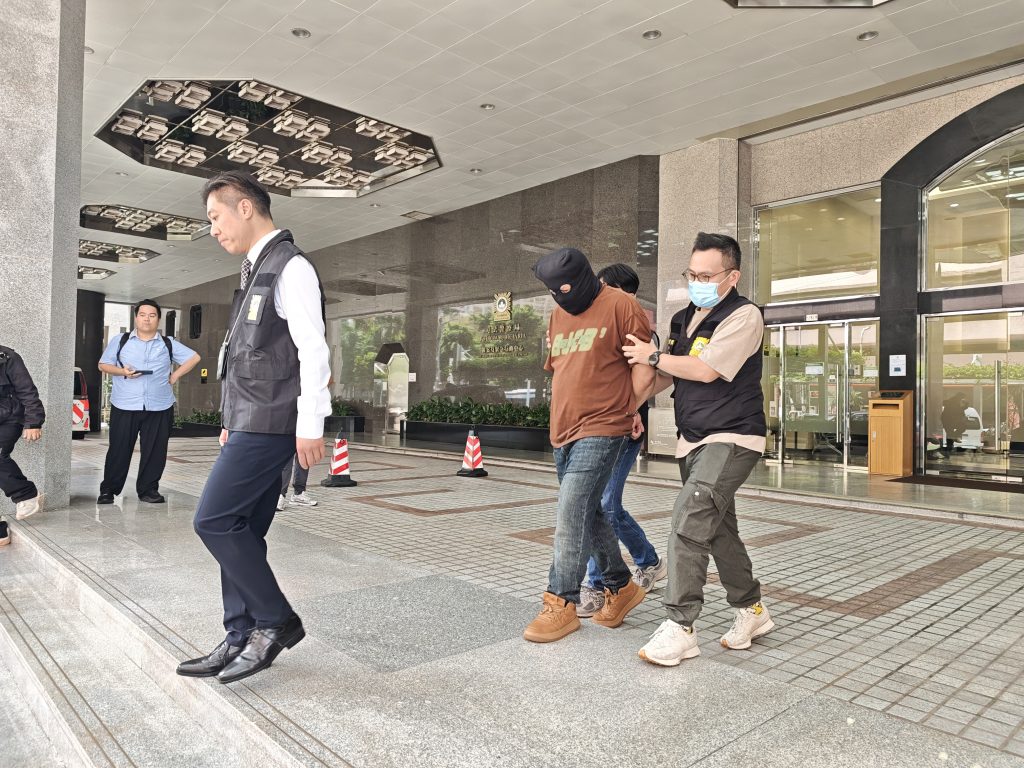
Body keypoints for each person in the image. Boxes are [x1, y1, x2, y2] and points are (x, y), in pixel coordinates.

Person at [177, 170, 330, 684]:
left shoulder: (290, 267)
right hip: (251, 420)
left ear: (245, 207)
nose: (213, 229)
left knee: (214, 521)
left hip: (272, 424)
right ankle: (240, 633)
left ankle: (275, 621)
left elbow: (313, 350)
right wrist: (229, 419)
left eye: (215, 217)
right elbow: (246, 356)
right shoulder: (255, 271)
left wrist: (311, 424)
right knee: (242, 529)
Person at [623, 232, 773, 666]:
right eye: (691, 274)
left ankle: (680, 625)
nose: (696, 282)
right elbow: (671, 374)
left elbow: (706, 370)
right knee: (718, 528)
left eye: (706, 276)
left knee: (689, 519)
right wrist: (631, 409)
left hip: (732, 436)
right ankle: (752, 610)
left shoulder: (745, 316)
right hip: (692, 438)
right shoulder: (683, 319)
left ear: (732, 276)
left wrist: (652, 357)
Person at [523, 247, 656, 643]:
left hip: (604, 425)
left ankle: (560, 601)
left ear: (585, 277)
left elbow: (643, 370)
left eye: (565, 288)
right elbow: (563, 370)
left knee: (570, 509)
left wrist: (627, 410)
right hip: (562, 429)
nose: (560, 296)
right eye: (553, 291)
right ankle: (621, 585)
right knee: (588, 510)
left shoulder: (622, 306)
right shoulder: (557, 314)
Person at [577, 263, 666, 619]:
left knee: (603, 504)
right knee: (602, 504)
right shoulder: (604, 326)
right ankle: (648, 561)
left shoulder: (639, 330)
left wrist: (630, 411)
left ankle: (598, 582)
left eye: (603, 288)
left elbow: (650, 379)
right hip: (597, 426)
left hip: (626, 428)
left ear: (622, 291)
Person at [97, 300, 200, 504]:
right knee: (118, 449)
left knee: (155, 451)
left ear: (158, 319)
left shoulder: (167, 343)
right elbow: (103, 365)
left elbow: (194, 357)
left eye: (152, 315)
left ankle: (149, 490)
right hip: (125, 404)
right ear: (136, 318)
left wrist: (175, 375)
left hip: (159, 405)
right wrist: (123, 372)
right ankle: (108, 490)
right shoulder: (121, 340)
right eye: (142, 315)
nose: (147, 319)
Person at [0, 345, 46, 546]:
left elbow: (27, 390)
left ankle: (26, 493)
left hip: (9, 419)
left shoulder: (6, 357)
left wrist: (33, 422)